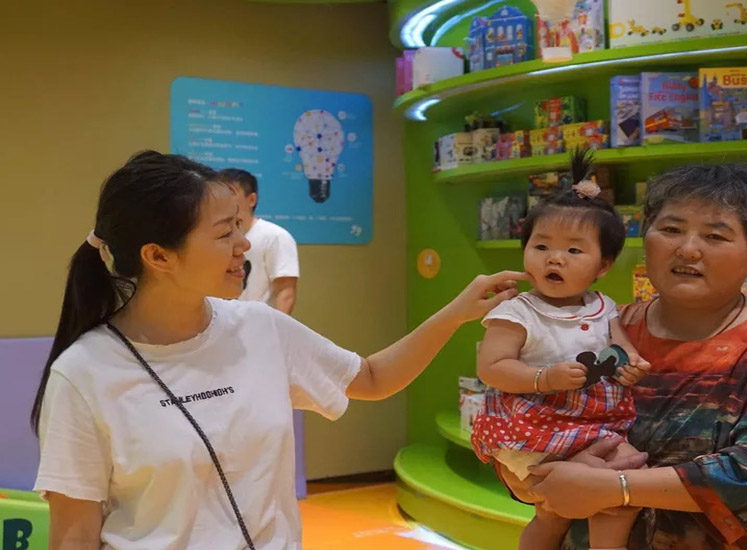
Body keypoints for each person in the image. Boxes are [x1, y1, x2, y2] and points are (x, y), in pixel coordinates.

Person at [30, 151, 527, 550]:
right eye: (224, 233)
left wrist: (456, 312)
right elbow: (75, 535)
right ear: (158, 256)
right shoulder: (85, 372)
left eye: (240, 226)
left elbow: (373, 378)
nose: (243, 245)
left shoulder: (259, 327)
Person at [522, 163, 747, 550]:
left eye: (715, 236)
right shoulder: (599, 328)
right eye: (670, 230)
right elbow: (523, 423)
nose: (687, 249)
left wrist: (616, 487)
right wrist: (550, 474)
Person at [471, 150, 652, 550]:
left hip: (594, 423)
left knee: (625, 481)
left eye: (574, 251)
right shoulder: (517, 311)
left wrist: (632, 364)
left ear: (603, 266)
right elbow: (492, 367)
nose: (555, 258)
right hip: (533, 425)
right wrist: (544, 377)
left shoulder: (603, 306)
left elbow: (620, 346)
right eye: (541, 246)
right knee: (554, 509)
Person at [217, 168, 299, 315]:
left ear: (252, 200)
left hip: (258, 322)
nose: (224, 199)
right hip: (222, 320)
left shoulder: (276, 236)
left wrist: (276, 328)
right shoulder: (214, 235)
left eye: (230, 192)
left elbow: (285, 291)